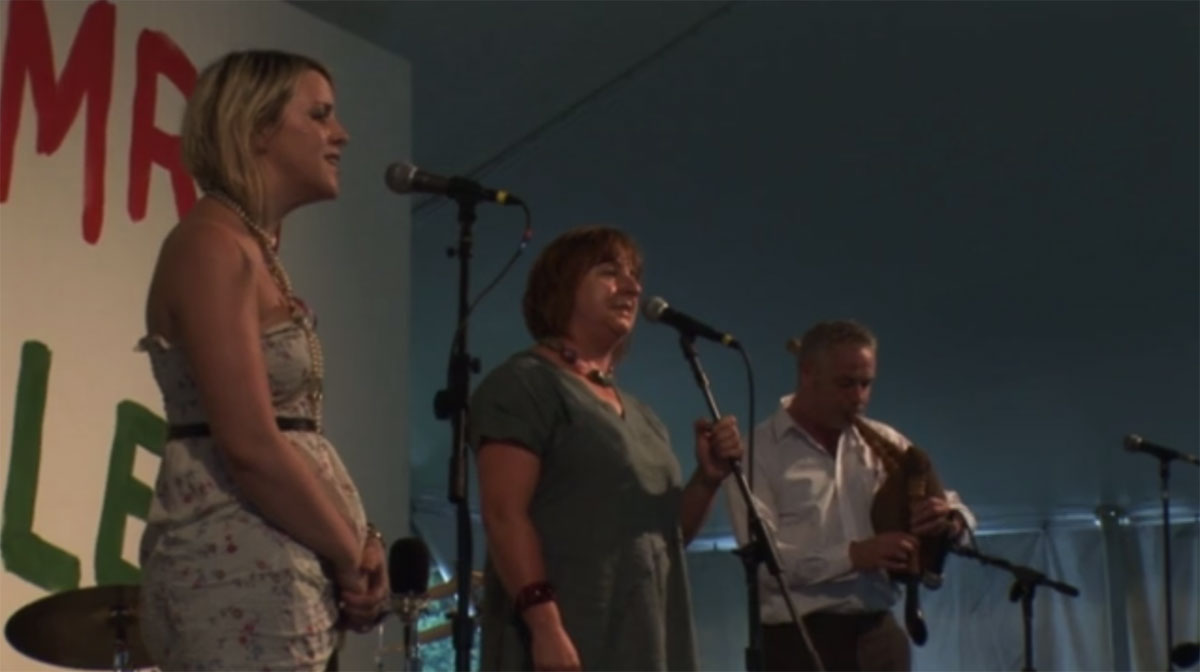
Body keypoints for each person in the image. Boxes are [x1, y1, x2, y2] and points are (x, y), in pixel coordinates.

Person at [136, 50, 388, 670]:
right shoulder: (210, 246)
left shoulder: (249, 248)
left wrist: (360, 539)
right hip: (238, 578)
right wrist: (349, 552)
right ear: (258, 128)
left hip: (279, 572)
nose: (342, 134)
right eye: (320, 115)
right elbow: (249, 443)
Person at [469, 226, 744, 671]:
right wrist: (546, 628)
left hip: (645, 643)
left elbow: (662, 538)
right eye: (609, 272)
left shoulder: (644, 416)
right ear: (561, 287)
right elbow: (504, 514)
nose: (632, 287)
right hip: (570, 640)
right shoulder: (525, 385)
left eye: (634, 275)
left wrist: (707, 479)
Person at [726, 320, 975, 672]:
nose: (858, 397)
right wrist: (856, 555)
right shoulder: (759, 452)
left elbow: (956, 503)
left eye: (866, 384)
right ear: (807, 373)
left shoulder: (883, 441)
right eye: (845, 384)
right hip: (796, 641)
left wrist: (951, 520)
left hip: (880, 637)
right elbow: (766, 565)